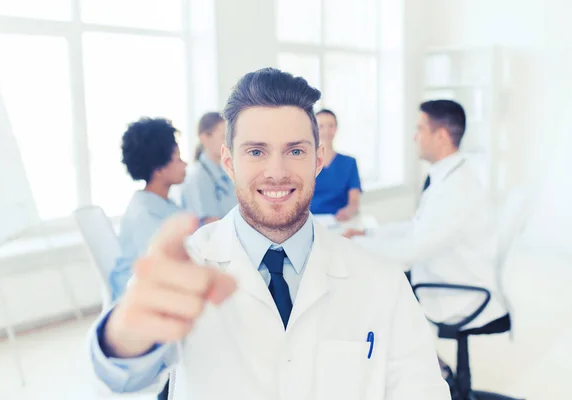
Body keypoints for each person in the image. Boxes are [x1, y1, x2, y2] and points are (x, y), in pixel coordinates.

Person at [89, 69, 450, 400]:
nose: (276, 172)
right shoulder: (191, 267)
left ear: (318, 160)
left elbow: (422, 390)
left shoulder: (382, 282)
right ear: (229, 162)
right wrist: (124, 337)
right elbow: (124, 378)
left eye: (295, 151)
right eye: (256, 151)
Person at [344, 100, 508, 330]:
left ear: (440, 136)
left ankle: (416, 361)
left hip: (454, 291)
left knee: (366, 289)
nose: (414, 137)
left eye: (420, 129)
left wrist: (357, 244)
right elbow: (416, 227)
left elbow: (410, 251)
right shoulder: (447, 177)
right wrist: (368, 233)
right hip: (441, 275)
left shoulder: (456, 190)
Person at [109, 117, 187, 303]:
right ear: (158, 169)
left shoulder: (164, 203)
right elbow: (161, 268)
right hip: (140, 296)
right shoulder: (144, 213)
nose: (185, 164)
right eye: (178, 159)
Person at [181, 112, 237, 223]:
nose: (228, 143)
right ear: (204, 138)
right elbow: (210, 225)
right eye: (223, 137)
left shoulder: (224, 173)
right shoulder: (198, 177)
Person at [309, 109, 361, 221]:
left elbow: (354, 202)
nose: (326, 131)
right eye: (321, 126)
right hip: (310, 223)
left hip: (339, 222)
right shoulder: (304, 163)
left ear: (336, 128)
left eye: (330, 126)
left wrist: (349, 211)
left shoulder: (349, 163)